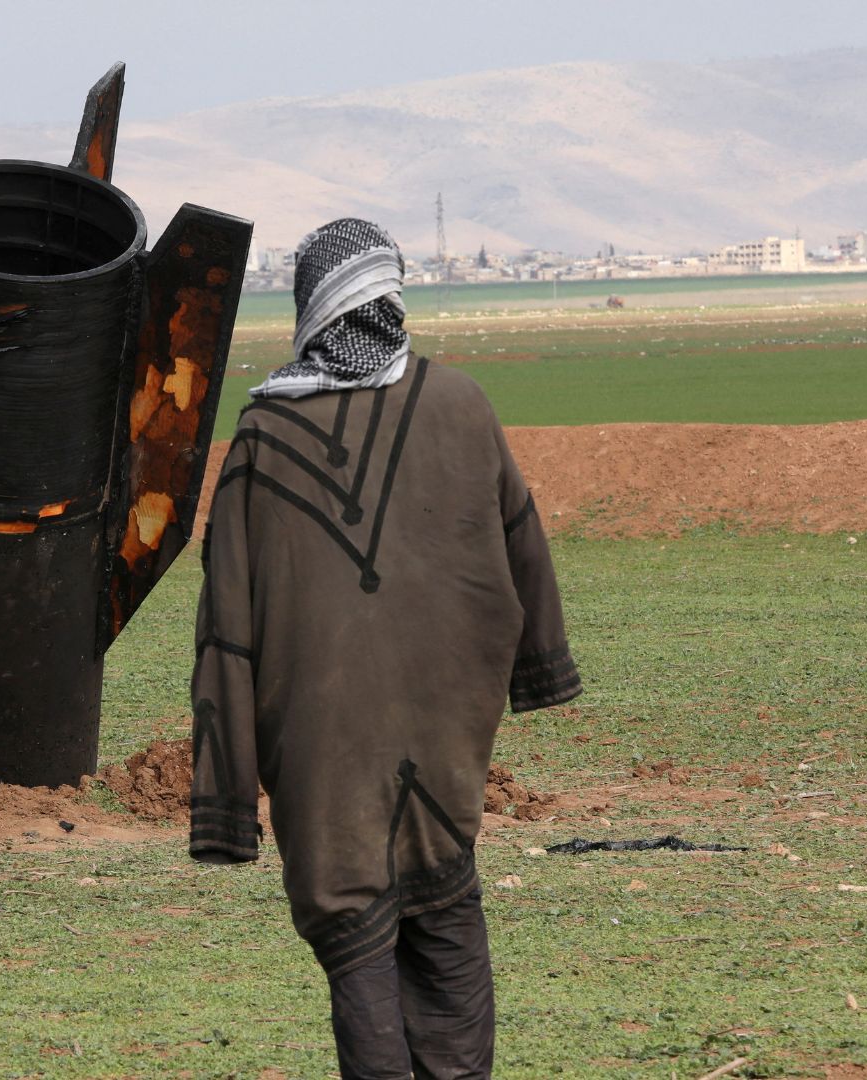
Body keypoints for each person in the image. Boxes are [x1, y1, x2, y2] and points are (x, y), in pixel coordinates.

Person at [189, 220, 581, 1079]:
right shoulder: (462, 404)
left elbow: (226, 628)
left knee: (356, 928)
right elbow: (525, 547)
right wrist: (540, 671)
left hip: (323, 748)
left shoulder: (262, 439)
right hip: (446, 729)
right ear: (389, 295)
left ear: (312, 307)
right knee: (444, 910)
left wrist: (224, 802)